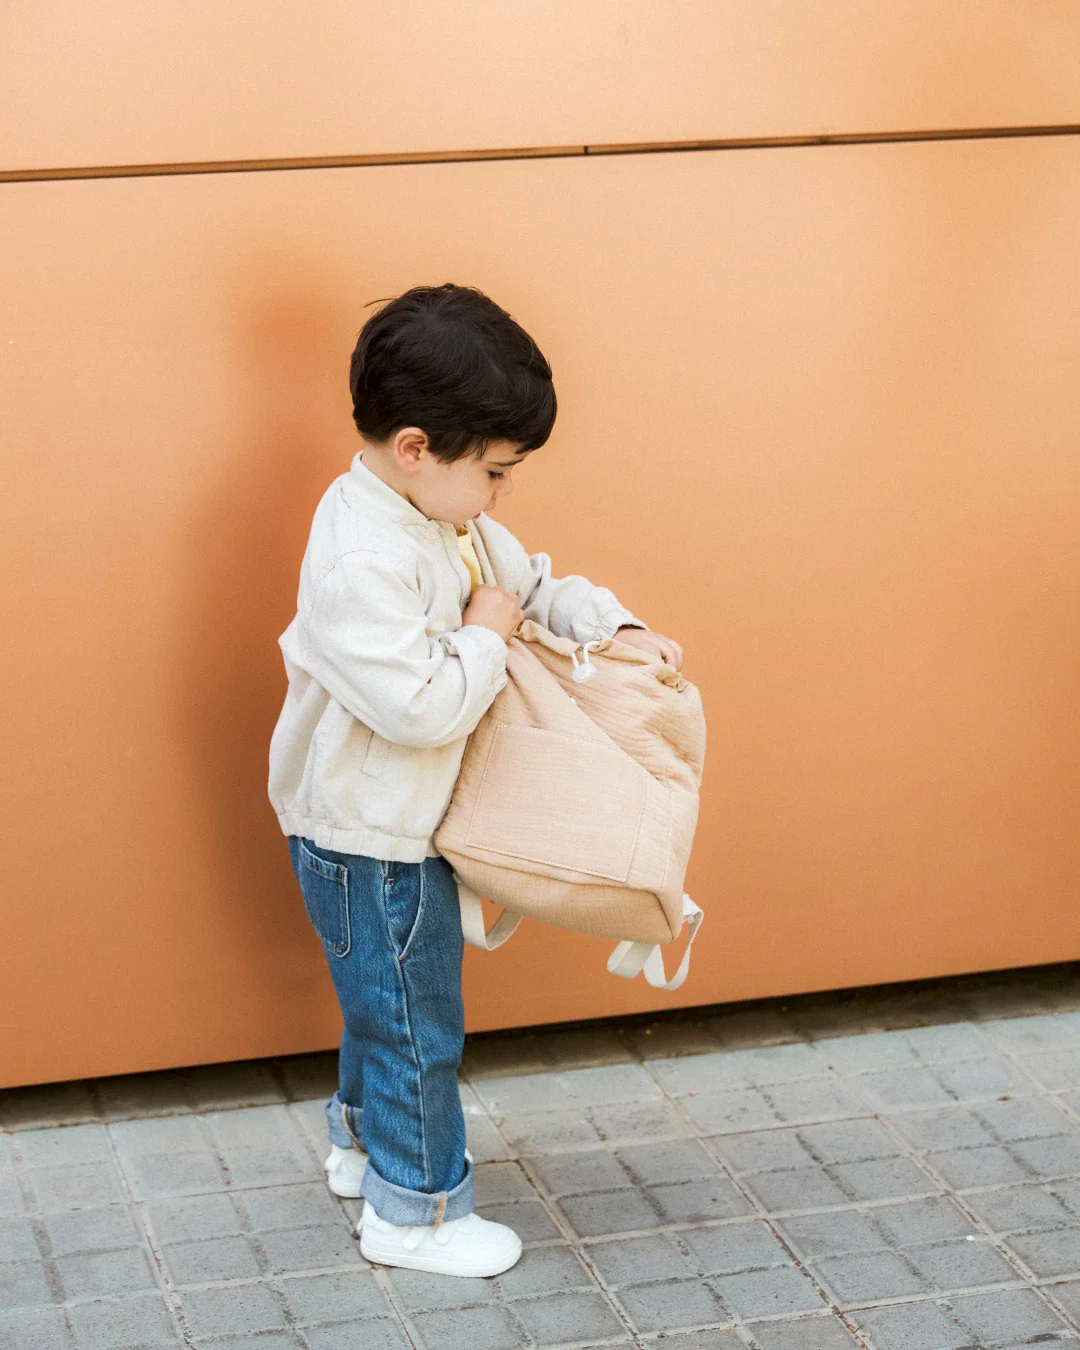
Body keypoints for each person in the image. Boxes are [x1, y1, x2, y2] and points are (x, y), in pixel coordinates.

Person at [267, 283, 685, 1278]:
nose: (502, 495)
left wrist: (611, 625)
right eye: (495, 472)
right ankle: (414, 1213)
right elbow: (421, 707)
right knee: (415, 1023)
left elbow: (528, 582)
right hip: (370, 836)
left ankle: (363, 1145)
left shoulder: (442, 517)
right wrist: (486, 635)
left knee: (382, 1003)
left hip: (398, 823)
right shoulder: (363, 561)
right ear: (416, 447)